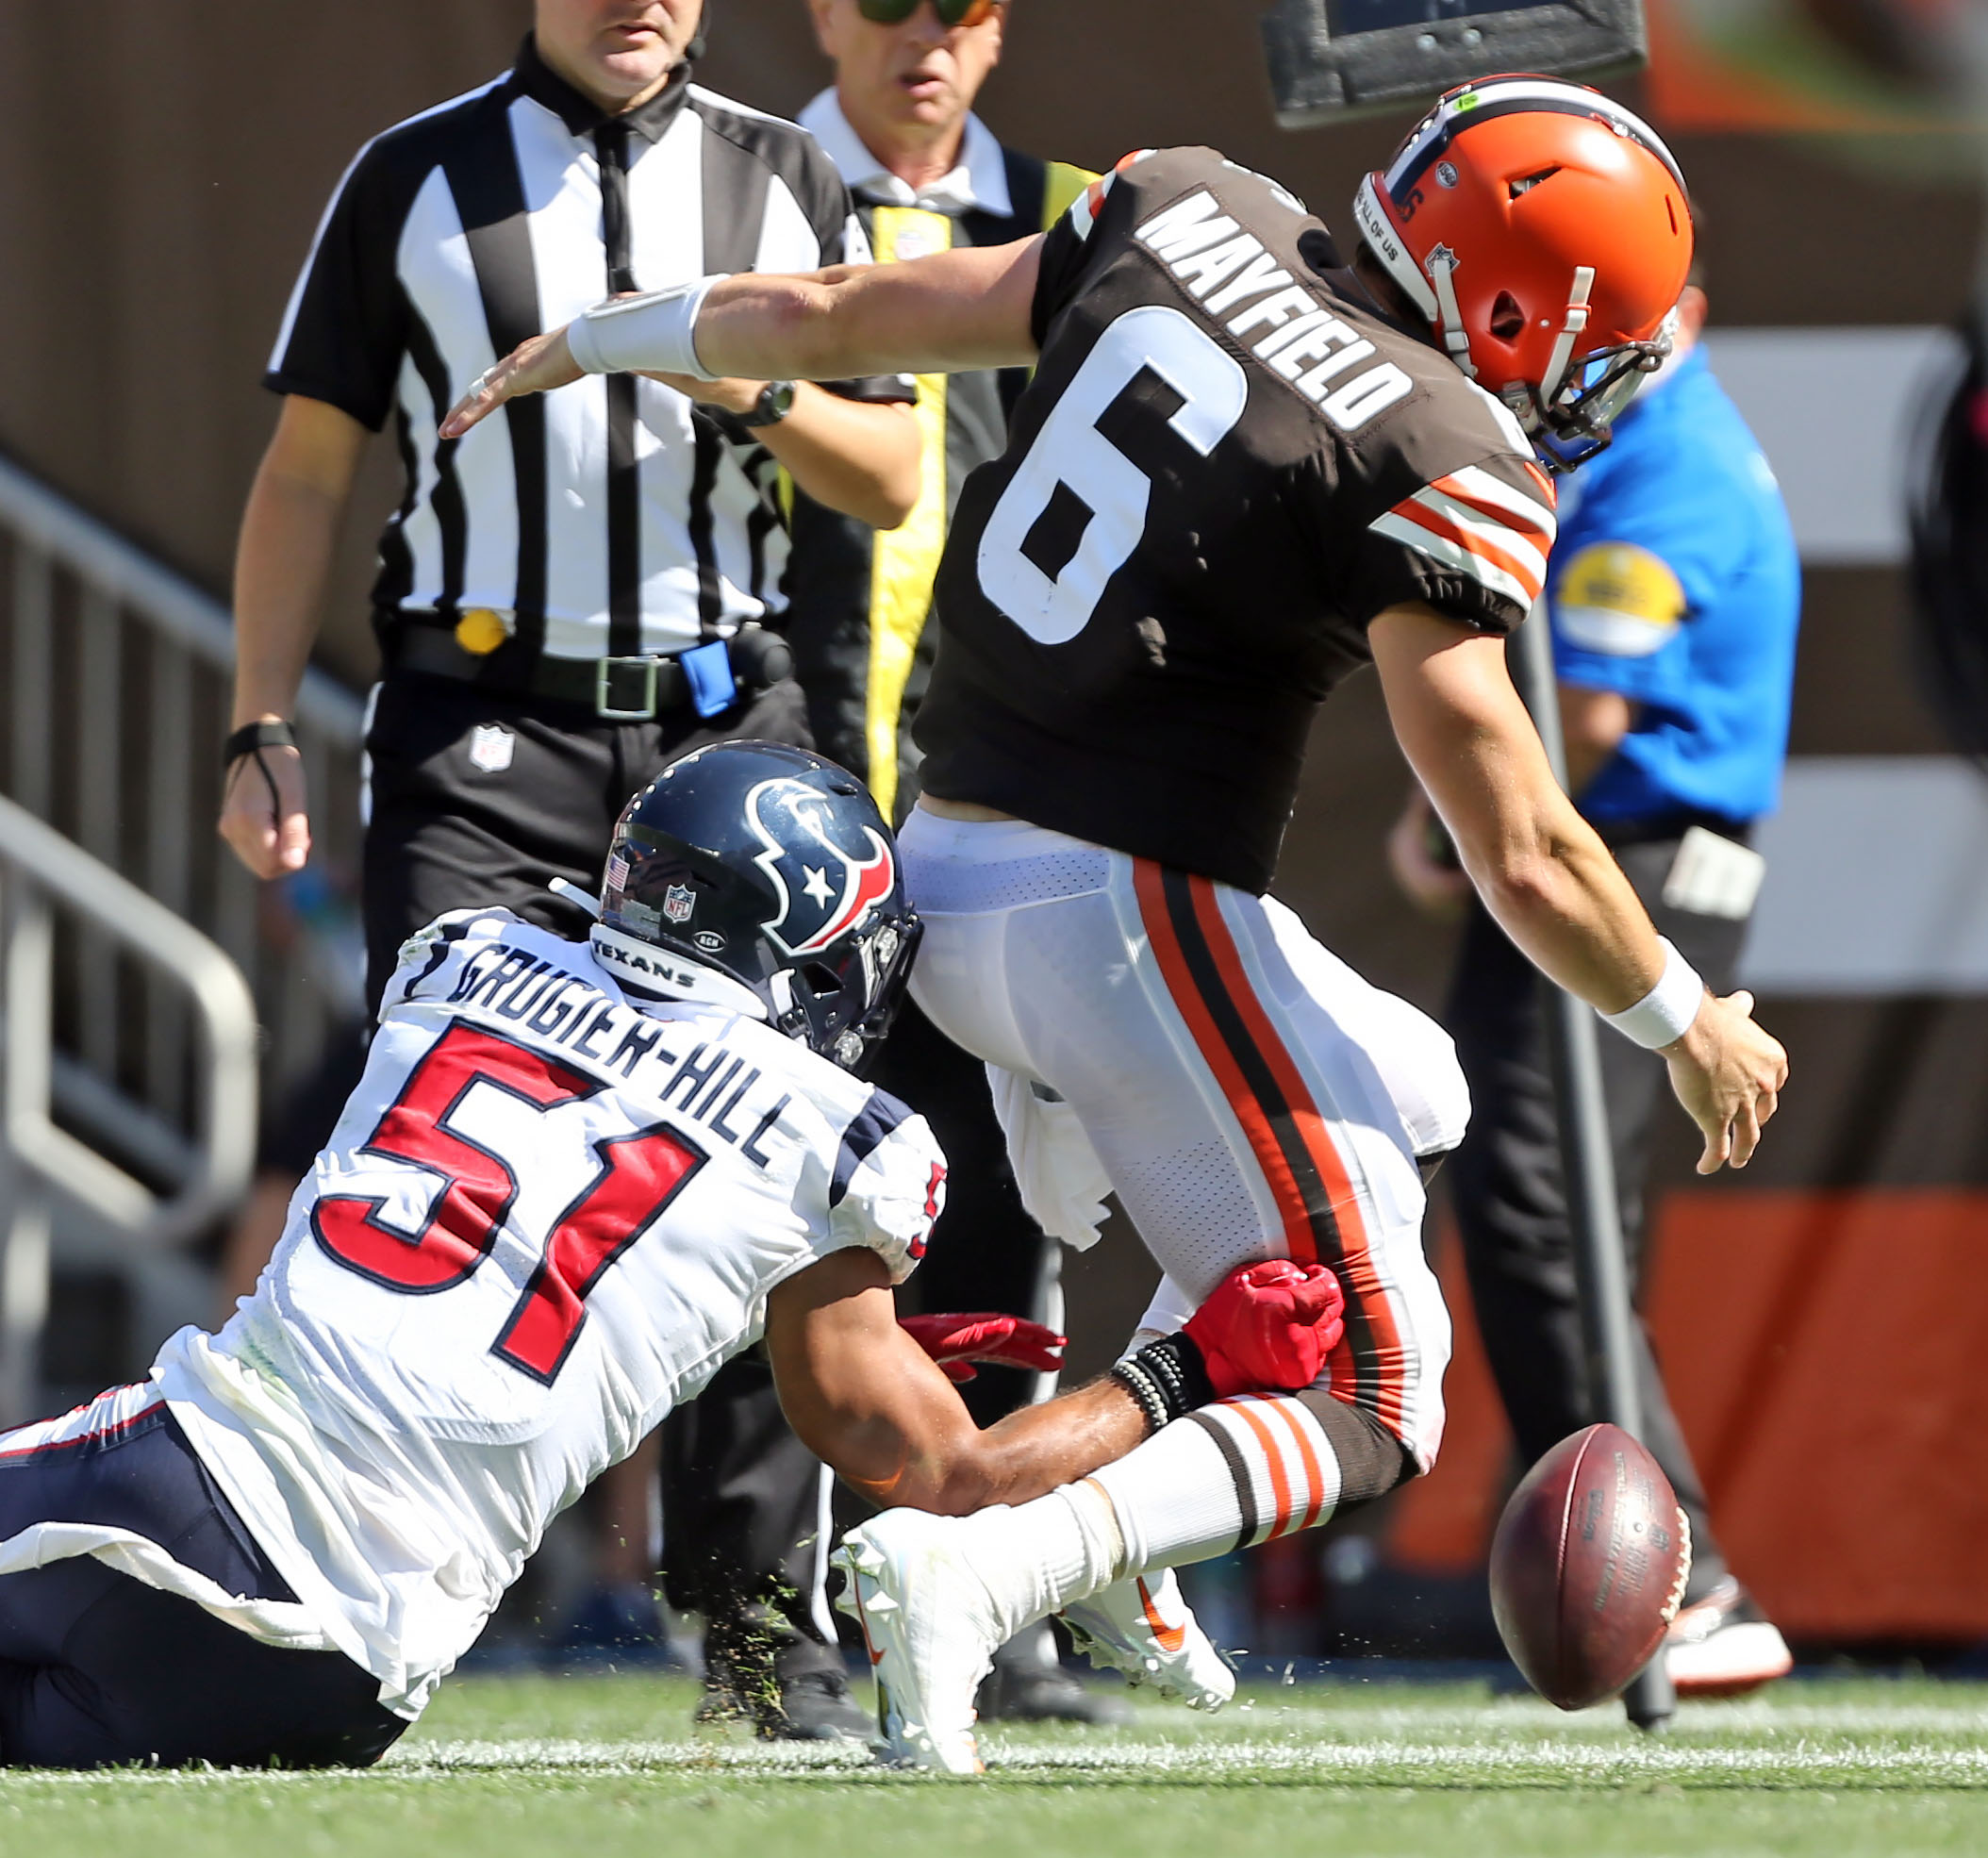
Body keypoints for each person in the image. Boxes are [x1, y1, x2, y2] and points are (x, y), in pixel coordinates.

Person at [443, 74, 1789, 1770]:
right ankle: (995, 1567)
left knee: (1413, 1089)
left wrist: (602, 335)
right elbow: (1520, 841)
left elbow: (854, 309)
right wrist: (1687, 1017)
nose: (1588, 380)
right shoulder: (1434, 440)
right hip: (1122, 914)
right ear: (1509, 301)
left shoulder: (1181, 197)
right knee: (1377, 1391)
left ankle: (1115, 1543)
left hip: (943, 869)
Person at [0, 744, 1347, 1772]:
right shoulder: (839, 1140)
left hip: (193, 1472)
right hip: (354, 1675)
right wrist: (1172, 1376)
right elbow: (936, 1475)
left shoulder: (458, 963)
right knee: (21, 1694)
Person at [223, 0, 920, 1735]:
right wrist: (255, 715)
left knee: (766, 1177)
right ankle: (348, 1590)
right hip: (482, 721)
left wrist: (724, 374)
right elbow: (308, 467)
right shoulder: (412, 179)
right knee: (437, 1144)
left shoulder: (789, 178)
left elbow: (898, 468)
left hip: (726, 727)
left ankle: (762, 1641)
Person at [660, 0, 1124, 1735]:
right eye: (885, 0)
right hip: (775, 788)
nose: (924, 37)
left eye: (965, 3)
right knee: (756, 1214)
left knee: (998, 1198)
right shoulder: (744, 193)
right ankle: (755, 1636)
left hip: (989, 794)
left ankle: (977, 1600)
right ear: (819, 13)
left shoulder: (1076, 215)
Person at [1387, 267, 1799, 1699]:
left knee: (1531, 1196)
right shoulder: (1652, 438)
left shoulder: (1666, 454)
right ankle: (1622, 1576)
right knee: (1562, 1222)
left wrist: (1464, 828)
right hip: (1636, 858)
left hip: (1632, 863)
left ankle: (1679, 1576)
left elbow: (1599, 709)